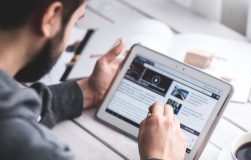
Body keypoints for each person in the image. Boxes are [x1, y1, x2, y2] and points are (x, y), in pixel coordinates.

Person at [0, 0, 187, 160]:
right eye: (74, 23)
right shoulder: (38, 151)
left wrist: (88, 90)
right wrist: (160, 156)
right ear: (51, 17)